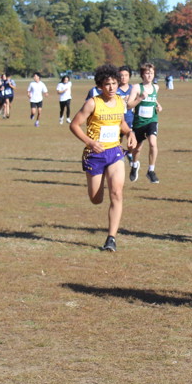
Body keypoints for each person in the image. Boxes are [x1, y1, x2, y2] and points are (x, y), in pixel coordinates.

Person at [69, 64, 137, 252]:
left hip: (114, 152)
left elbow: (121, 123)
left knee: (117, 193)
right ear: (100, 85)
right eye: (107, 84)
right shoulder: (92, 103)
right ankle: (101, 182)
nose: (112, 87)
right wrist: (90, 142)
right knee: (96, 199)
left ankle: (111, 238)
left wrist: (130, 133)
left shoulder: (120, 102)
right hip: (95, 155)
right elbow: (74, 125)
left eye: (114, 83)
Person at [128, 63, 162, 184]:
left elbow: (153, 98)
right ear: (142, 74)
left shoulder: (156, 87)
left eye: (151, 73)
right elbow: (129, 105)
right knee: (137, 149)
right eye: (147, 73)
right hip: (139, 123)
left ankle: (151, 170)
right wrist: (140, 98)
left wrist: (158, 105)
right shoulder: (137, 88)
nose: (150, 75)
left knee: (153, 143)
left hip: (152, 120)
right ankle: (134, 165)